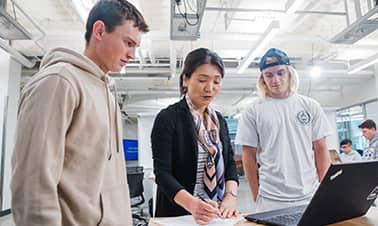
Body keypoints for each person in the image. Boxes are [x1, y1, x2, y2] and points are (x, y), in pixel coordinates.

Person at [11, 1, 149, 225]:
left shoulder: (107, 93)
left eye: (136, 46)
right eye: (128, 42)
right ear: (100, 31)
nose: (132, 54)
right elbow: (33, 184)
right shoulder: (58, 82)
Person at [235, 48, 331, 212]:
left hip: (310, 194)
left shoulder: (309, 106)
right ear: (263, 79)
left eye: (280, 73)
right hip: (271, 197)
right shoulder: (253, 110)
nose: (275, 80)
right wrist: (256, 195)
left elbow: (321, 149)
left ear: (290, 74)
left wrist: (325, 190)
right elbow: (248, 155)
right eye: (269, 75)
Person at [151, 48, 239, 225]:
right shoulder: (168, 118)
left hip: (216, 212)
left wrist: (230, 197)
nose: (210, 88)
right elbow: (163, 174)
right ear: (185, 79)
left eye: (216, 81)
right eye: (202, 80)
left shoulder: (219, 120)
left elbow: (229, 163)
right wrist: (193, 205)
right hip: (178, 214)